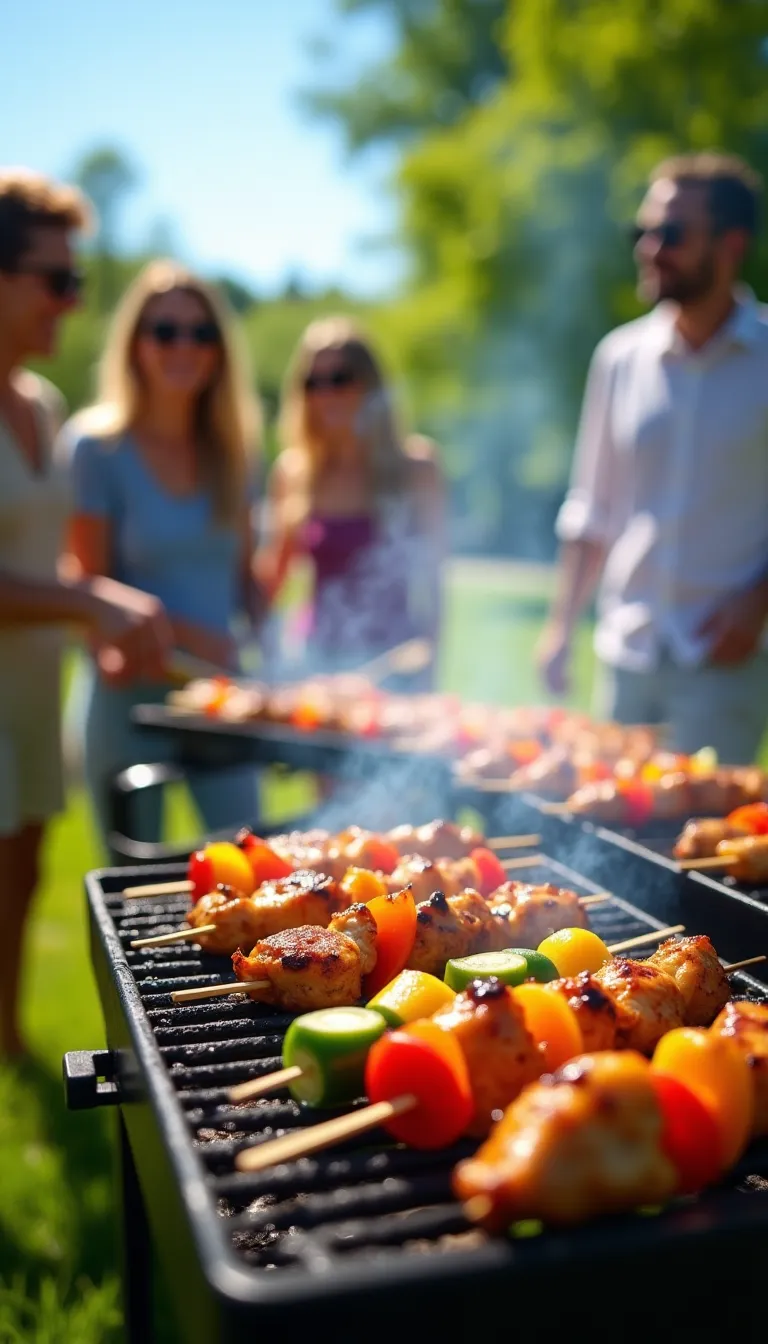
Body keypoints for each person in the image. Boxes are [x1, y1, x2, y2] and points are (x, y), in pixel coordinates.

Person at [0, 169, 172, 1056]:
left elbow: (47, 560)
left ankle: (7, 1045)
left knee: (22, 871)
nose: (71, 302)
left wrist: (105, 619)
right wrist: (86, 599)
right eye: (56, 279)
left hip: (30, 692)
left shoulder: (41, 404)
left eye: (78, 281)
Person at [537, 152, 768, 764]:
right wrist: (560, 629)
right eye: (641, 231)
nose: (648, 248)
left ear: (731, 244)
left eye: (670, 233)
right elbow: (592, 505)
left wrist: (758, 600)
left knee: (701, 850)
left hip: (725, 659)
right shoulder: (618, 357)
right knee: (608, 842)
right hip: (627, 651)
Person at [62, 259, 263, 848]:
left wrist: (286, 661)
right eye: (165, 331)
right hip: (128, 703)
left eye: (201, 333)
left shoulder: (235, 449)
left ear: (219, 350)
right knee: (131, 889)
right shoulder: (95, 448)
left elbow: (244, 578)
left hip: (219, 700)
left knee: (249, 861)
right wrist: (196, 639)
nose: (184, 346)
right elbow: (87, 590)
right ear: (135, 344)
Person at [257, 316, 444, 686]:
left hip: (393, 662)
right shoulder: (294, 473)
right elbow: (269, 584)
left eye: (340, 378)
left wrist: (432, 659)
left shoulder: (416, 468)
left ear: (370, 385)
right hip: (313, 661)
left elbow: (436, 580)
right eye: (313, 382)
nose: (326, 394)